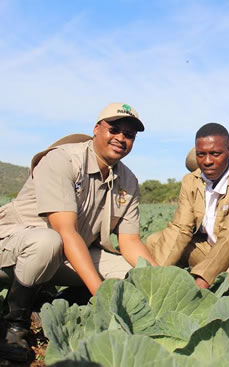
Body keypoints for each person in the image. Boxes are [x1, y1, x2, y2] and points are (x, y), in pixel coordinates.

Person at [0, 103, 158, 361]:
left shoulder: (127, 181)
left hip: (64, 255)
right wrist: (102, 295)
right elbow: (65, 232)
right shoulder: (63, 159)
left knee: (130, 273)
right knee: (47, 241)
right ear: (97, 129)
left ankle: (54, 305)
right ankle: (13, 326)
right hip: (16, 248)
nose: (121, 138)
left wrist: (159, 280)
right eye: (114, 129)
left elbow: (130, 241)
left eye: (129, 135)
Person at [146, 123, 229, 302]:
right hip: (208, 247)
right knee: (154, 242)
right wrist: (153, 279)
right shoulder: (191, 181)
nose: (207, 161)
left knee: (227, 277)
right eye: (201, 154)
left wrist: (198, 286)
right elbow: (180, 228)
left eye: (215, 154)